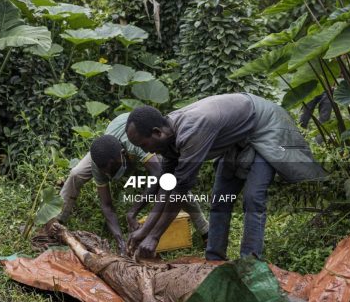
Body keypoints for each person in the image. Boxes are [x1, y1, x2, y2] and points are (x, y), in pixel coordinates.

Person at [125, 93, 327, 260]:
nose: (145, 150)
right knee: (220, 199)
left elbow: (180, 189)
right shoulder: (168, 137)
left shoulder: (192, 129)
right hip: (237, 138)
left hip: (264, 125)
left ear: (157, 132)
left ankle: (250, 262)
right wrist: (144, 232)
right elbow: (167, 185)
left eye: (143, 145)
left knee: (253, 198)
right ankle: (214, 258)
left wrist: (155, 236)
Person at [58, 113, 209, 254]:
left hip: (136, 141)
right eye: (106, 172)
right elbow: (107, 205)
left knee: (174, 182)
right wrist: (120, 241)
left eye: (112, 169)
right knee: (75, 174)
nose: (109, 175)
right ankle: (56, 222)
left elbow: (158, 174)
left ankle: (205, 230)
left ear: (124, 156)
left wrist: (133, 211)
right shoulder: (99, 165)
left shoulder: (137, 142)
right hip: (108, 149)